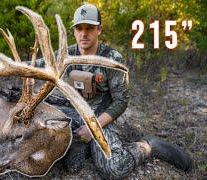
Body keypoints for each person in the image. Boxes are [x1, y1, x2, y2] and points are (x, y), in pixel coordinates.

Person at [34, 4, 192, 179]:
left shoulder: (112, 59)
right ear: (74, 31)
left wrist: (92, 129)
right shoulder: (65, 54)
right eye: (79, 28)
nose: (83, 34)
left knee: (115, 168)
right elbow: (35, 65)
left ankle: (149, 147)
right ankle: (83, 145)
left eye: (90, 28)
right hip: (74, 112)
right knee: (71, 166)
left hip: (101, 118)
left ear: (99, 30)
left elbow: (121, 102)